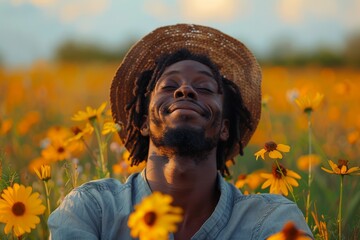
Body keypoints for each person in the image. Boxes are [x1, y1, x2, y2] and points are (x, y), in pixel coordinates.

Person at [48, 24, 313, 239]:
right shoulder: (92, 209)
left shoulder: (272, 220)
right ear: (142, 122)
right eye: (168, 86)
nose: (185, 90)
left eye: (205, 88)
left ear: (224, 128)